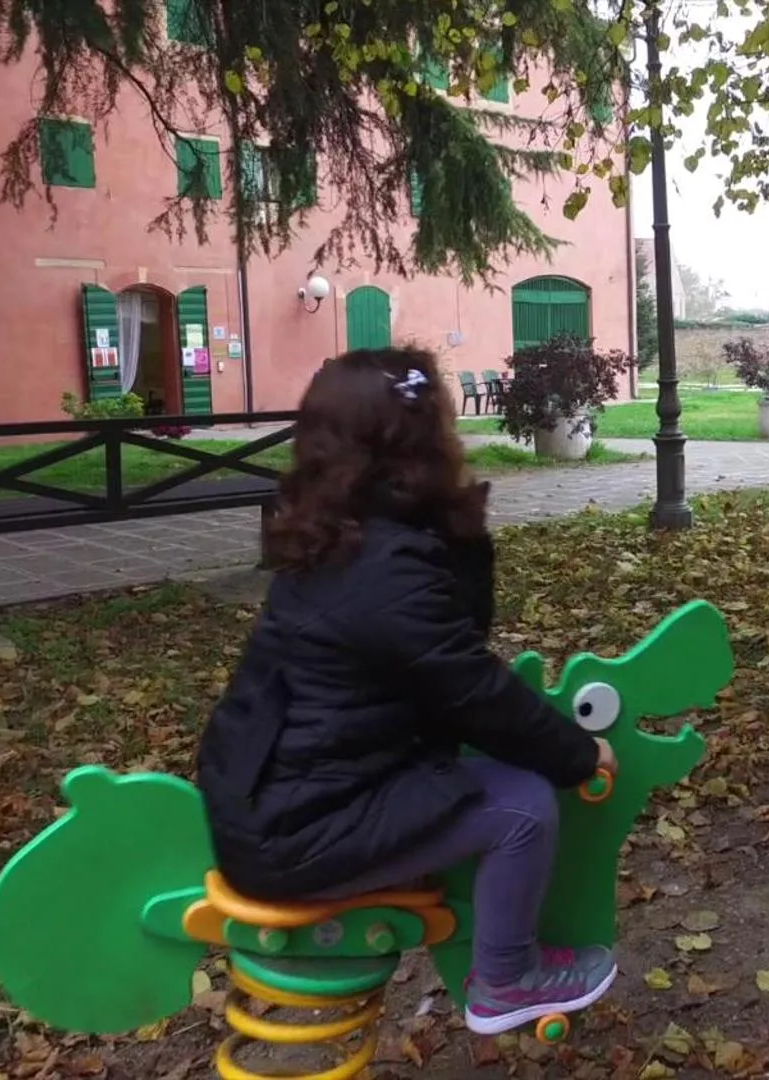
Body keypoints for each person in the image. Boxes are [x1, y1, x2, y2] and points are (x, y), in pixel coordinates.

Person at [194, 348, 621, 1036]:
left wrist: (454, 532)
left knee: (488, 782)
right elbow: (473, 692)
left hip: (273, 805)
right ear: (419, 443)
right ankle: (506, 980)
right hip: (293, 832)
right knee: (523, 804)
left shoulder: (340, 540)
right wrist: (577, 753)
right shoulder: (385, 571)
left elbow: (444, 661)